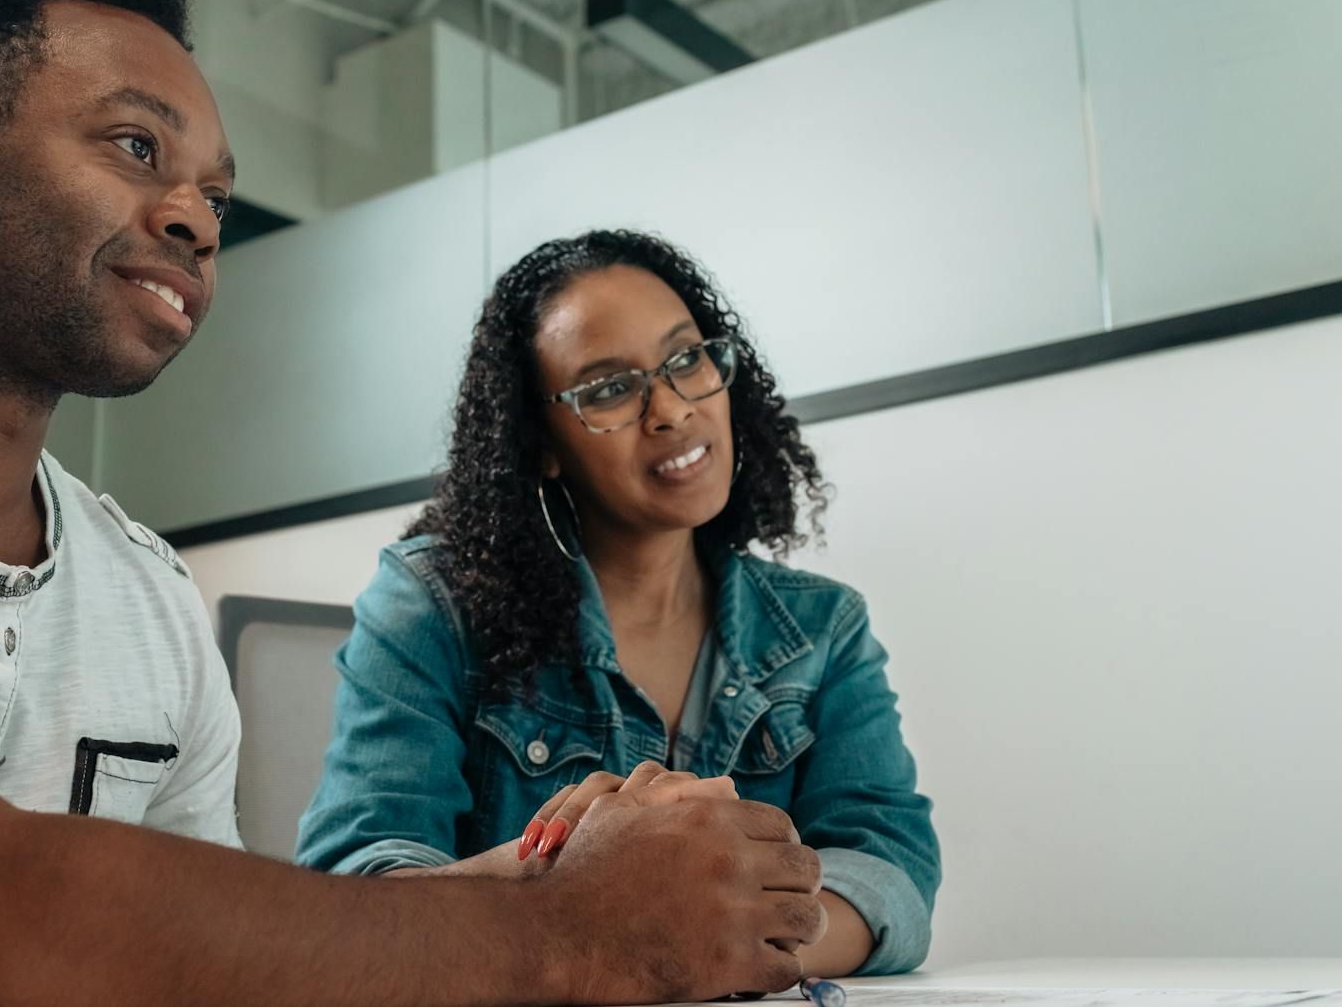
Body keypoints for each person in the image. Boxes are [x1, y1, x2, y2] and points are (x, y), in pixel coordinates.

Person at [0, 0, 823, 1004]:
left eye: (213, 195)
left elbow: (213, 968)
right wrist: (569, 927)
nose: (194, 223)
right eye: (133, 145)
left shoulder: (148, 593)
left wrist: (544, 879)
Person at [297, 230, 941, 977]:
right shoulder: (431, 602)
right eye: (609, 388)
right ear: (541, 442)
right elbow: (359, 883)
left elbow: (888, 863)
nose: (669, 409)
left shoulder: (824, 627)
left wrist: (720, 943)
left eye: (687, 359)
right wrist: (583, 906)